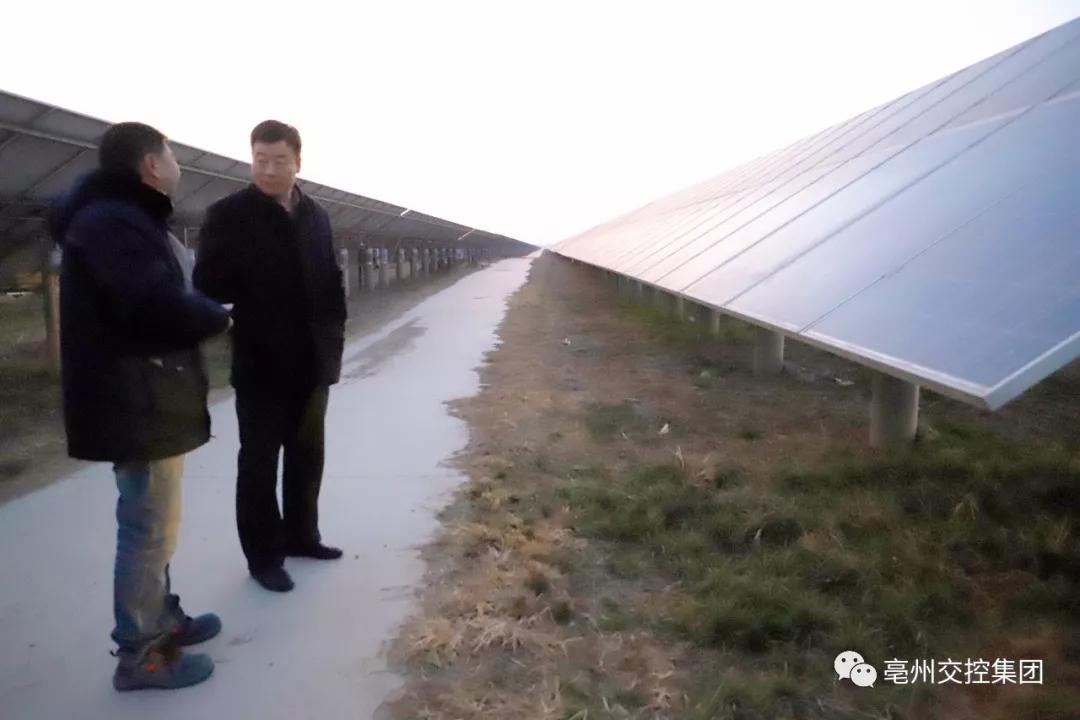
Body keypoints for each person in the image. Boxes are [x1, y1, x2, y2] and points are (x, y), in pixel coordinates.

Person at [48, 122, 232, 691]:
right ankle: (141, 654)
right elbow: (153, 305)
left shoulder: (120, 217)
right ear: (151, 164)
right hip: (134, 398)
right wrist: (216, 317)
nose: (177, 163)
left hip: (144, 393)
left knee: (157, 523)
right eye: (170, 153)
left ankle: (161, 618)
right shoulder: (114, 222)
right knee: (147, 527)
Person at [193, 120, 347, 593]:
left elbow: (330, 280)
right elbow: (207, 283)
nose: (269, 170)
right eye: (260, 160)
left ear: (298, 162)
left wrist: (333, 343)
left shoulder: (316, 215)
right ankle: (263, 557)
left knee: (307, 455)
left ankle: (302, 536)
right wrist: (252, 279)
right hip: (261, 361)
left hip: (312, 360)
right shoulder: (229, 214)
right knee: (259, 463)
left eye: (280, 160)